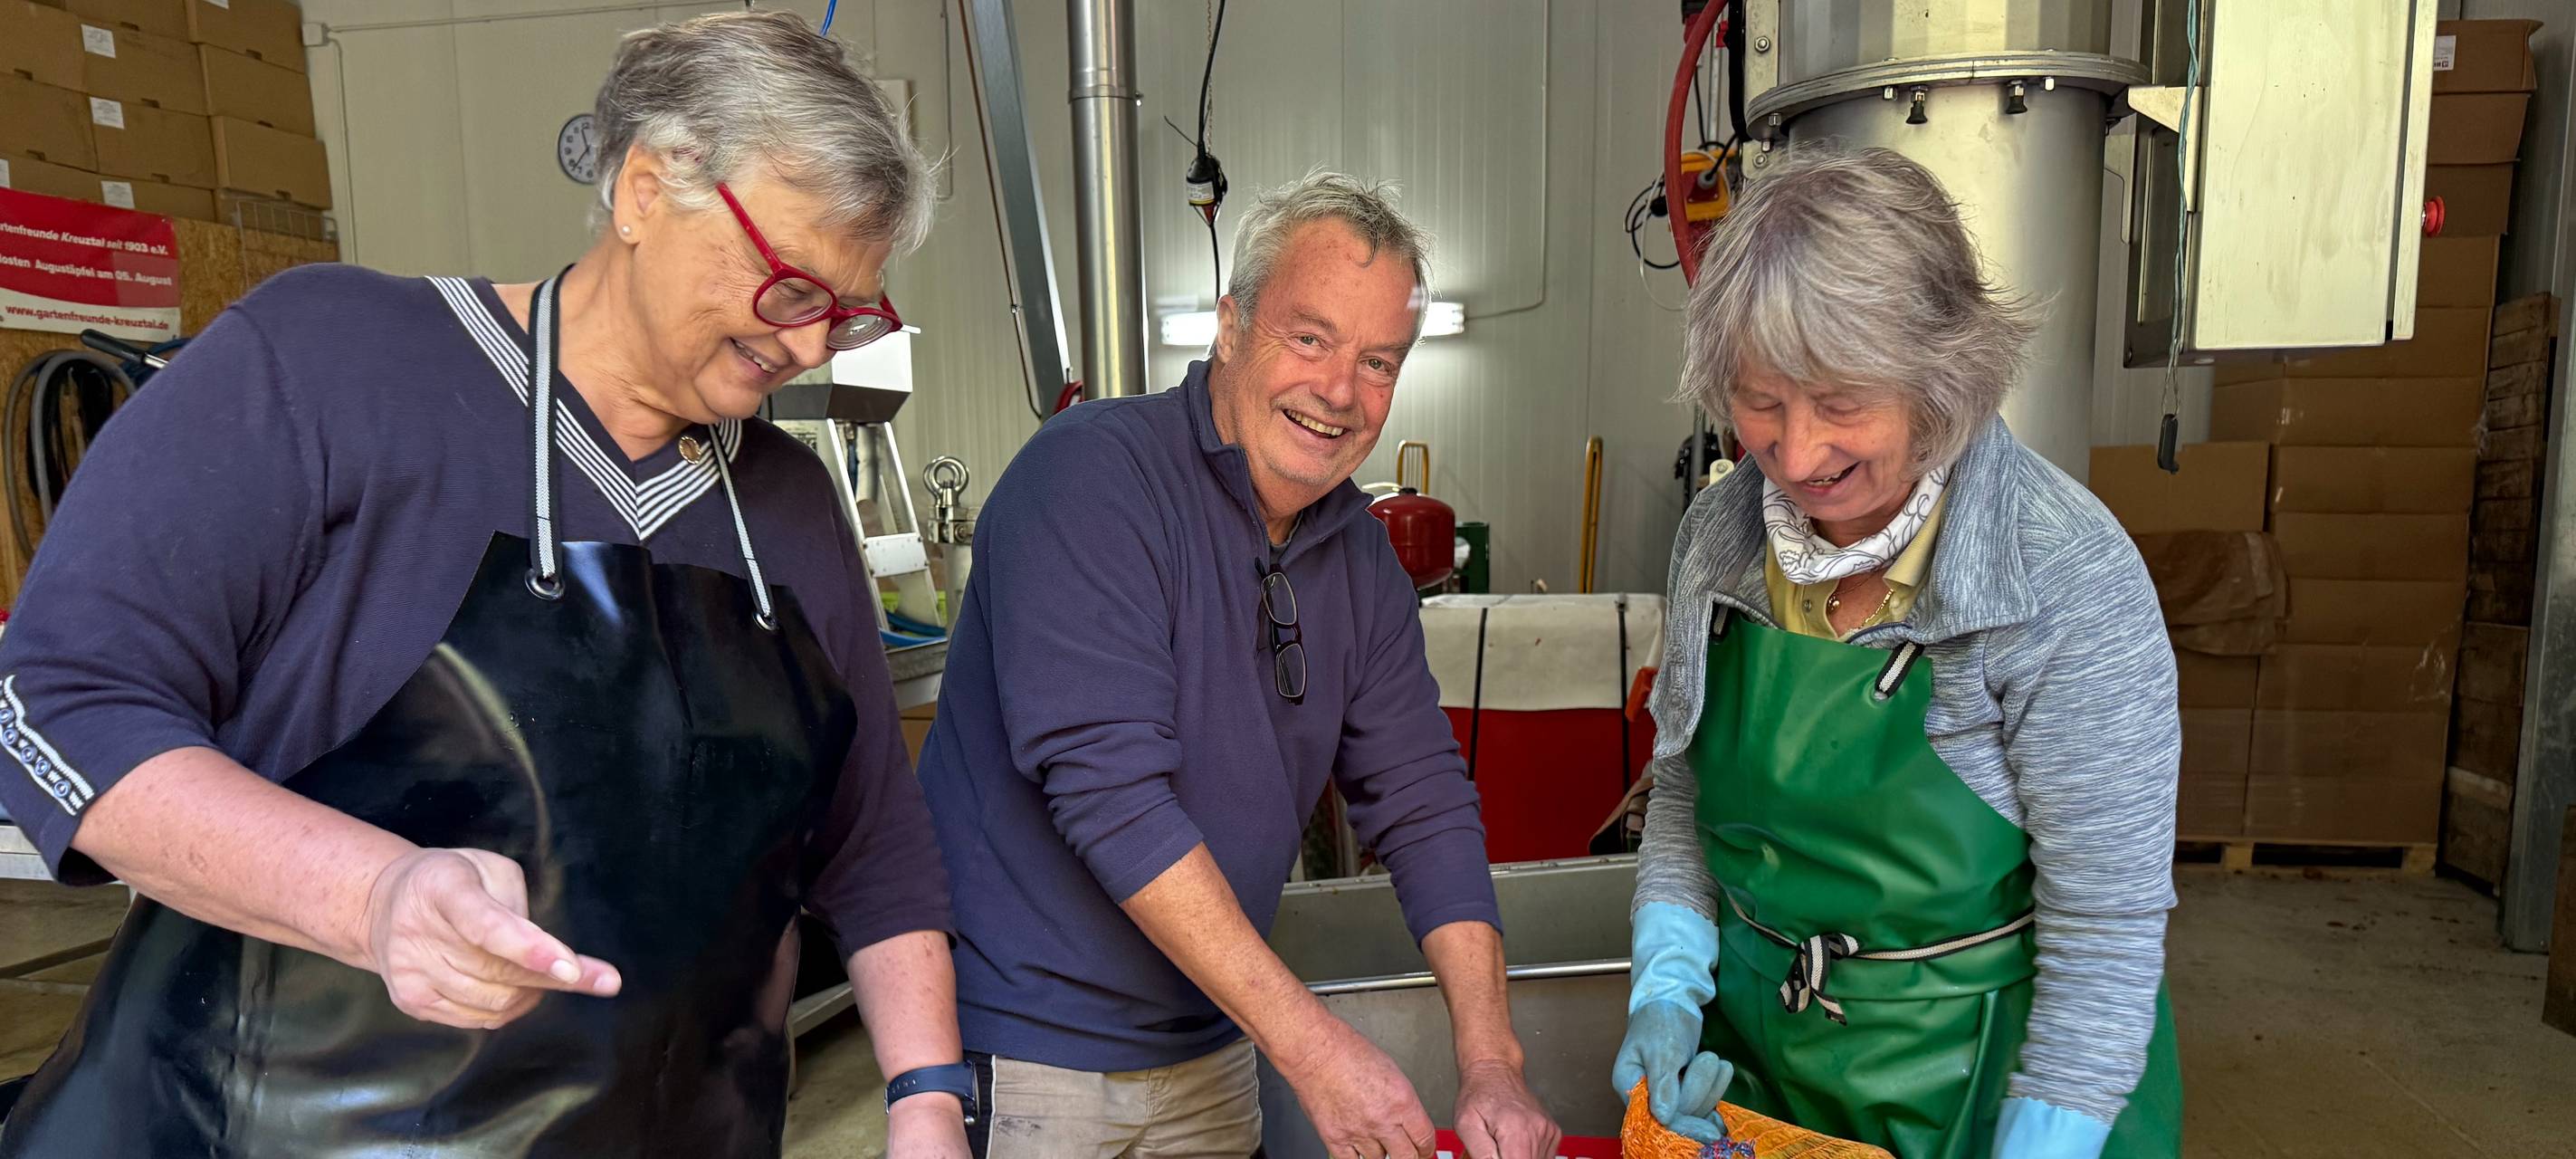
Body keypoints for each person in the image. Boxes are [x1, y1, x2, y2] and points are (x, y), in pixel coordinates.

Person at [0, 13, 971, 1156]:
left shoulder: (789, 502)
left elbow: (872, 839)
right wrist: (373, 894)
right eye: (791, 289)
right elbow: (60, 705)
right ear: (648, 189)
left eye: (848, 311)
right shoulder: (332, 362)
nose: (812, 349)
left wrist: (926, 1093)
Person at [916, 171, 1562, 1159]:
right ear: (1230, 326)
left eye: (1378, 360)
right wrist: (1312, 1048)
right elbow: (1110, 793)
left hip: (1214, 1046)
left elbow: (1423, 799)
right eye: (1309, 337)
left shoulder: (1357, 554)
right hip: (1031, 1055)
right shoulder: (1091, 476)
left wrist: (1490, 1059)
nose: (1339, 391)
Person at [1613, 147, 2185, 1158]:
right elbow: (1684, 794)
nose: (1793, 456)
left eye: (1839, 402)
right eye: (1758, 401)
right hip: (1765, 1063)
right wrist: (1666, 984)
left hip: (1987, 1081)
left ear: (1939, 376)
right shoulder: (1719, 537)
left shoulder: (2062, 574)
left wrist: (2043, 1136)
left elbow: (2104, 930)